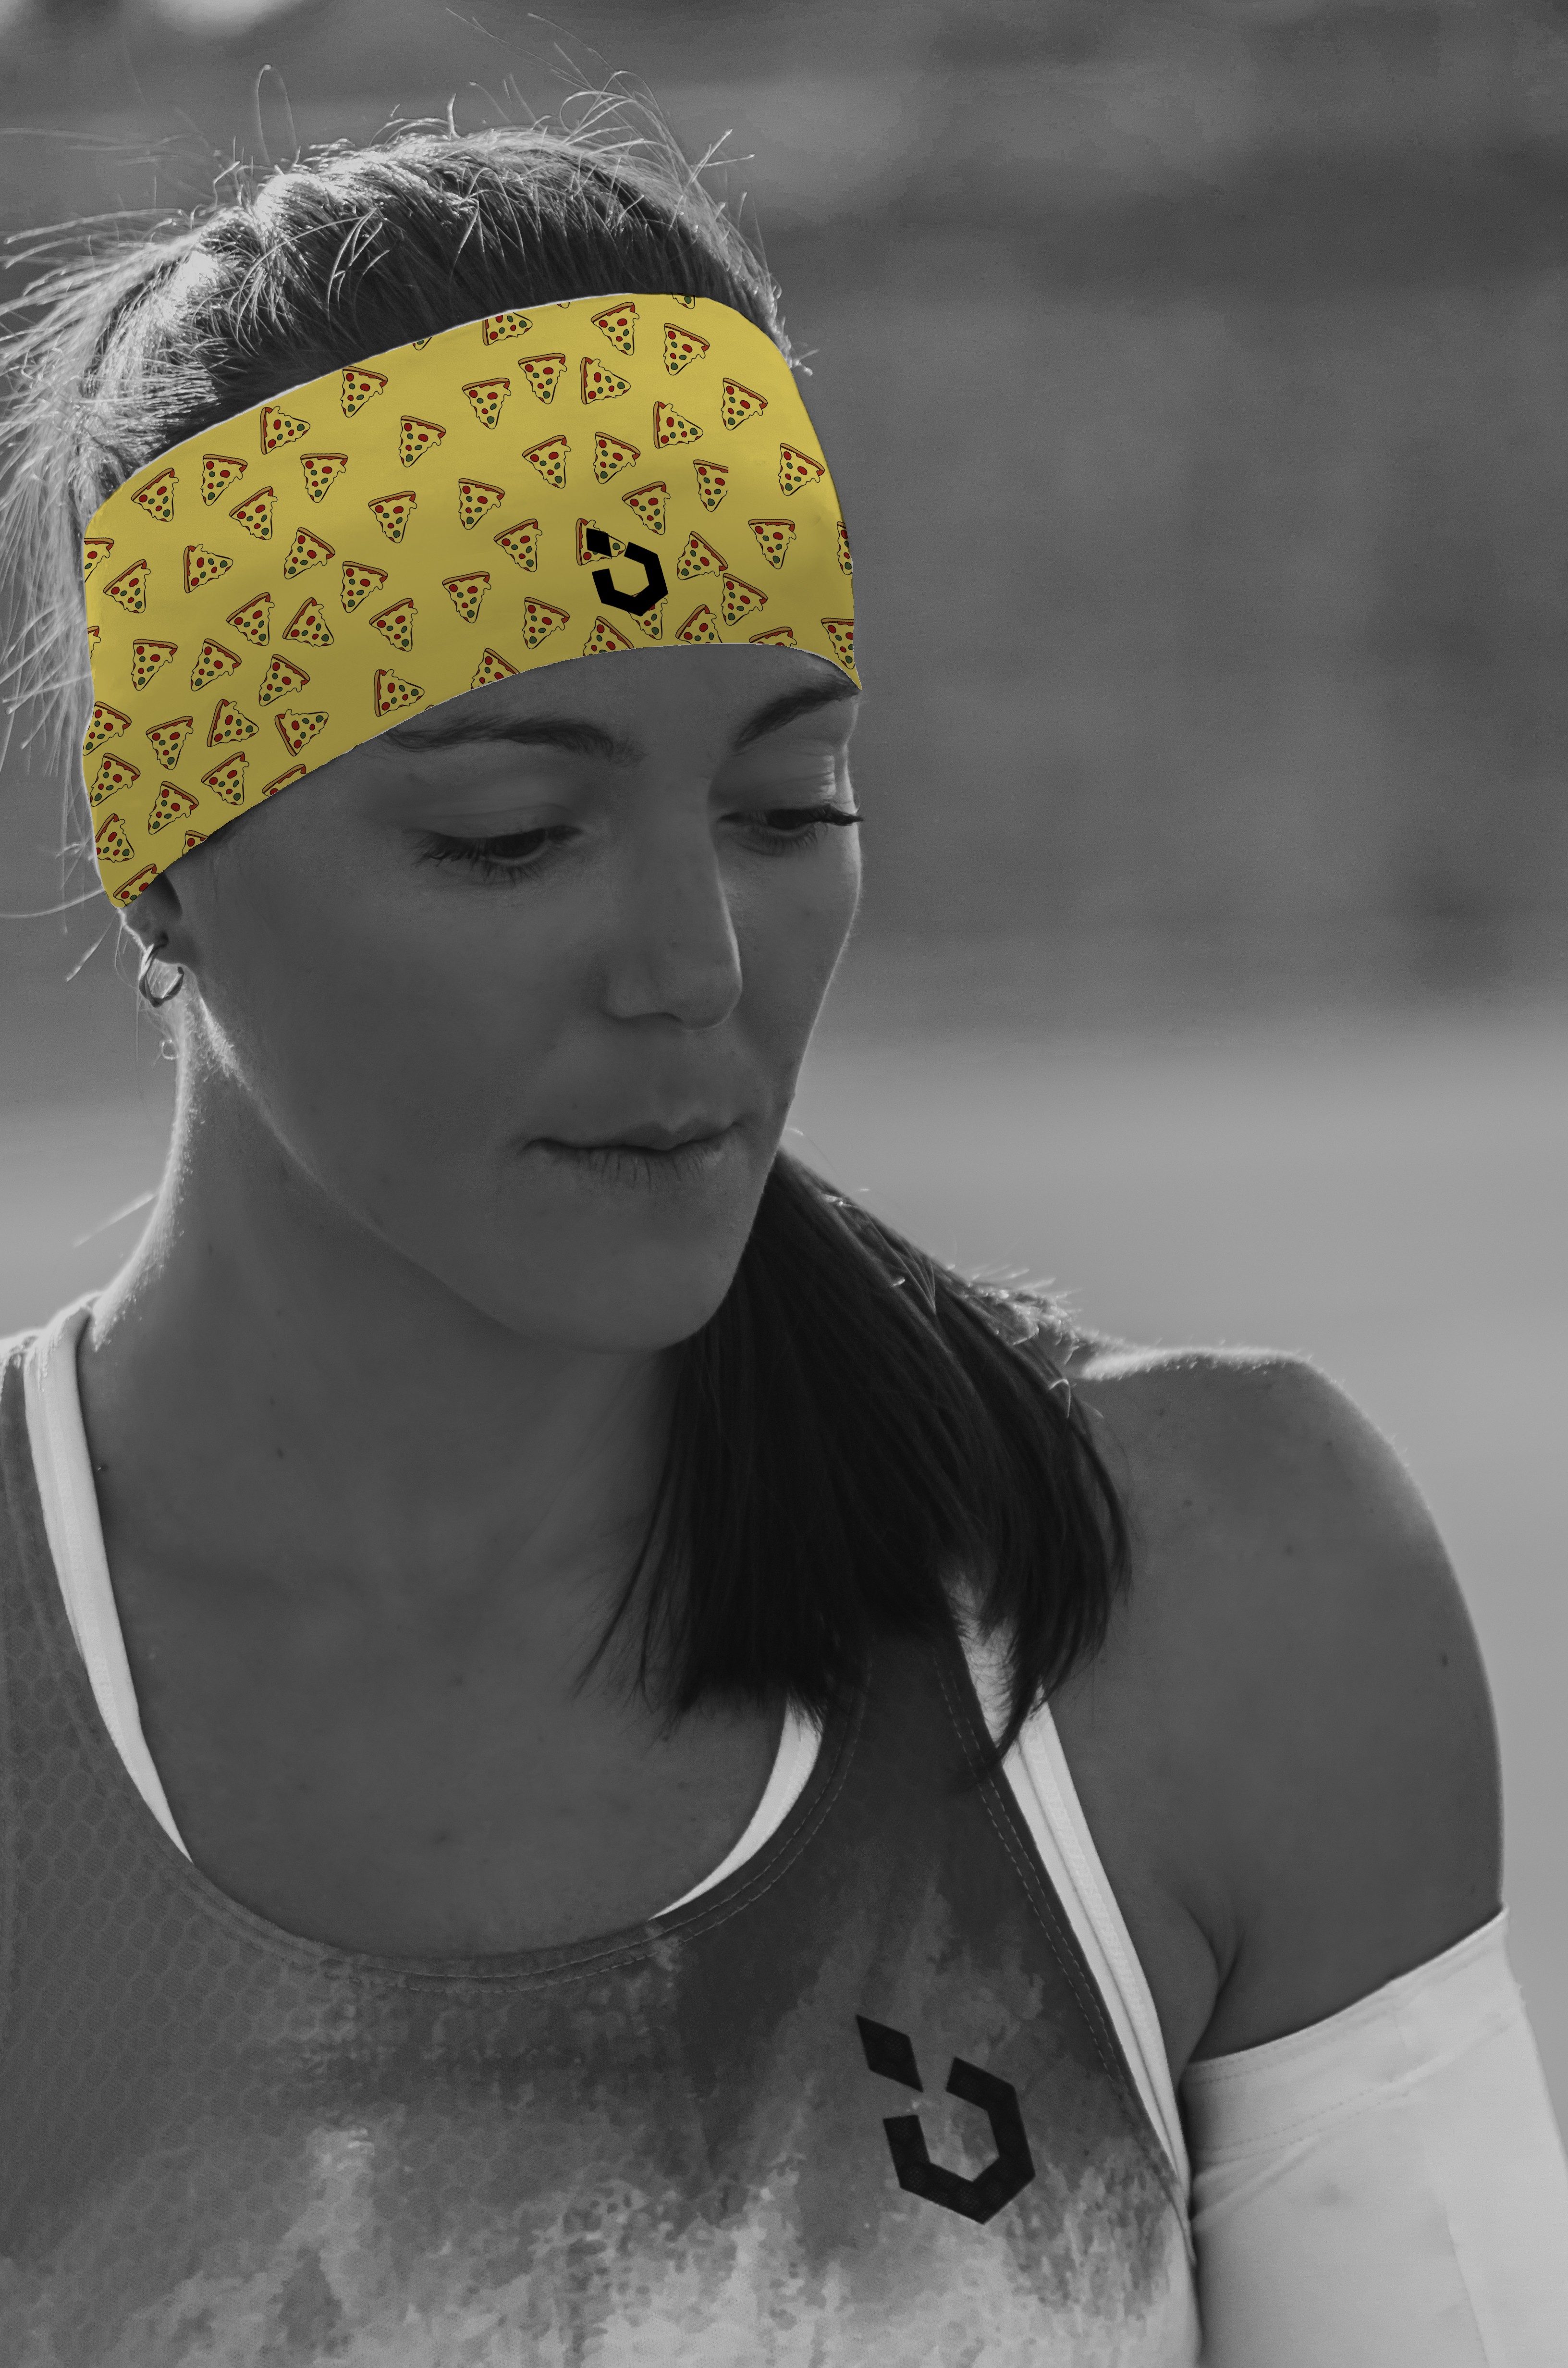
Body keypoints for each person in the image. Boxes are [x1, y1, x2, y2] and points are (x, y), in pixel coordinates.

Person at [0, 112, 1564, 2367]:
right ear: (160, 847)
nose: (694, 963)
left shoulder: (1199, 1612)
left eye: (783, 802)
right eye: (510, 834)